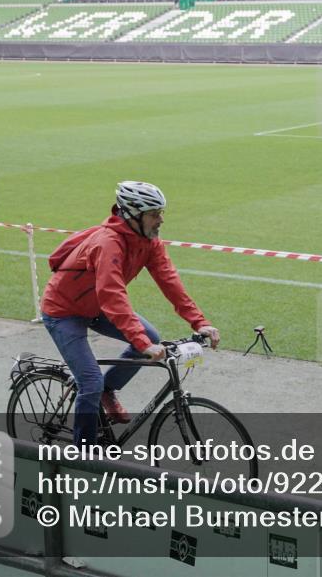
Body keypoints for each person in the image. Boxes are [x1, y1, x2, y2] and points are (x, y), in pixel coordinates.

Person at [40, 181, 219, 445]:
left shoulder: (148, 241)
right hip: (64, 311)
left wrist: (199, 322)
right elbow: (113, 296)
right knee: (90, 383)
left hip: (98, 307)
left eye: (161, 212)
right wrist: (143, 343)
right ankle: (83, 456)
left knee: (149, 336)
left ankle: (108, 390)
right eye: (154, 213)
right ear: (133, 214)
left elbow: (169, 281)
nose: (160, 220)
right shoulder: (108, 243)